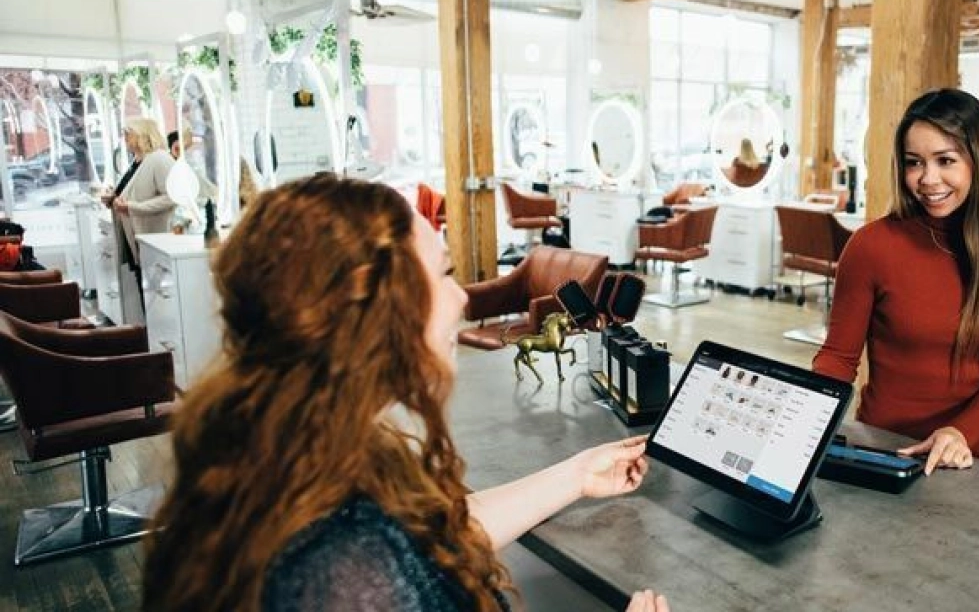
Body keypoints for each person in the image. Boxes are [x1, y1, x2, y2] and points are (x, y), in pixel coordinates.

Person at [142, 175, 669, 612]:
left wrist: (576, 475)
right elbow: (387, 559)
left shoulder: (283, 451)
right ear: (376, 312)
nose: (461, 298)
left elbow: (430, 540)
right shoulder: (339, 567)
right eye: (443, 274)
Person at [813, 89, 979, 472]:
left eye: (945, 160)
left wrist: (958, 432)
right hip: (882, 450)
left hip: (969, 457)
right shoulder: (871, 246)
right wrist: (806, 415)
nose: (927, 179)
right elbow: (838, 359)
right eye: (914, 162)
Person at [104, 117, 176, 276]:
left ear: (142, 134)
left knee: (152, 289)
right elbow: (130, 192)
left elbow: (171, 197)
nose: (125, 139)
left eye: (128, 134)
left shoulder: (159, 159)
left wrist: (132, 207)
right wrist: (113, 198)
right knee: (142, 284)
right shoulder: (138, 161)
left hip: (153, 237)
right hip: (134, 234)